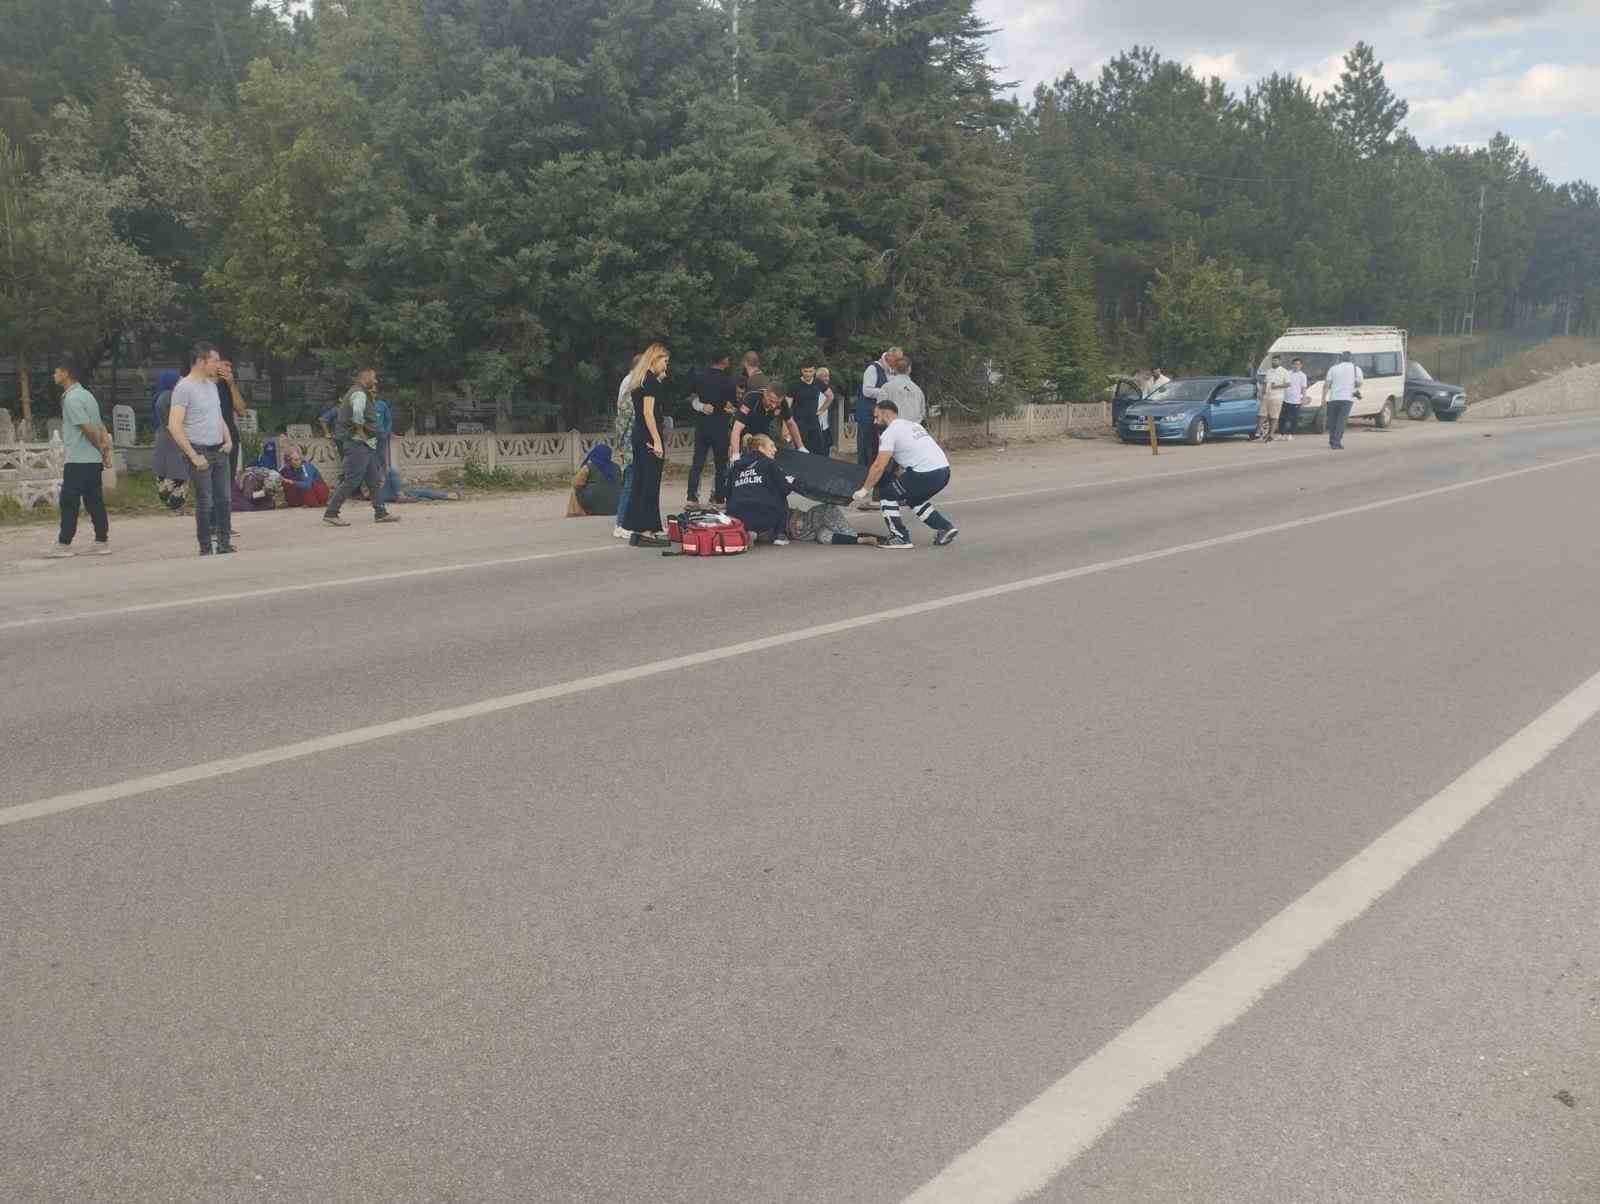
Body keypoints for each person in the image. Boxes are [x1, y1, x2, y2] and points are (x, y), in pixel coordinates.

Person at [853, 399, 958, 548]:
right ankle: (945, 528)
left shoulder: (890, 433)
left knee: (887, 494)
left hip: (925, 473)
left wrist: (864, 490)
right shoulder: (913, 425)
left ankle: (900, 537)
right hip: (944, 471)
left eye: (876, 417)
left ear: (885, 413)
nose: (875, 422)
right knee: (914, 499)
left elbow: (878, 466)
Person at [168, 342, 236, 555]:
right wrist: (193, 455)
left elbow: (217, 416)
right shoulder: (184, 387)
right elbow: (174, 425)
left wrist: (228, 439)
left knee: (224, 498)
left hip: (220, 450)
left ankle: (224, 543)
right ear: (200, 361)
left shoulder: (211, 385)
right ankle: (205, 546)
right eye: (214, 360)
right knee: (205, 500)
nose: (218, 365)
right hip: (200, 451)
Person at [43, 354, 113, 559]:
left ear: (65, 374)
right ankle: (102, 541)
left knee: (69, 500)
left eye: (56, 371)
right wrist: (105, 451)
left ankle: (64, 543)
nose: (54, 374)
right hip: (91, 461)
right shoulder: (86, 395)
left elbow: (88, 428)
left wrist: (100, 448)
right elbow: (101, 426)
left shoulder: (72, 399)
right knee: (94, 501)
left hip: (79, 459)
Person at [323, 366, 399, 526]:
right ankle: (331, 513)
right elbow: (357, 415)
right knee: (352, 480)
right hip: (358, 445)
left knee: (373, 480)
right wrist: (362, 434)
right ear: (365, 377)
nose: (376, 380)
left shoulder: (359, 393)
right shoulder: (359, 393)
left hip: (365, 445)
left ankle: (381, 513)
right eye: (374, 377)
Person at [620, 343, 670, 547]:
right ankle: (645, 530)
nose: (666, 366)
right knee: (650, 483)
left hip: (639, 435)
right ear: (655, 359)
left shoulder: (640, 380)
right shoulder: (650, 382)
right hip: (649, 435)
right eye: (665, 362)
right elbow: (648, 412)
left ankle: (643, 527)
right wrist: (657, 440)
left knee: (641, 481)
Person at [686, 354, 738, 504]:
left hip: (702, 424)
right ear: (725, 361)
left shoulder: (699, 377)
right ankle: (719, 497)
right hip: (720, 425)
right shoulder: (728, 381)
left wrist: (700, 405)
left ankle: (692, 496)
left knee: (698, 463)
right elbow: (733, 403)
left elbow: (687, 394)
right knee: (720, 465)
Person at [725, 433, 794, 543]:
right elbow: (785, 489)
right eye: (771, 446)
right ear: (761, 448)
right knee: (781, 492)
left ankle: (746, 531)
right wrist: (790, 481)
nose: (775, 450)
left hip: (737, 517)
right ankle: (780, 534)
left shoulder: (736, 466)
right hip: (764, 516)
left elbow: (728, 493)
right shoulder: (769, 463)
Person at [855, 346, 899, 506]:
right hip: (868, 417)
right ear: (888, 357)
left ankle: (879, 490)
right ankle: (862, 489)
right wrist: (885, 391)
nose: (896, 364)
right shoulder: (873, 369)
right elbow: (866, 391)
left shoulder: (892, 371)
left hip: (883, 418)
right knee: (867, 452)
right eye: (895, 361)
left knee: (881, 453)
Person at [729, 377, 804, 463]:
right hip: (743, 431)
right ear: (765, 394)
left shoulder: (782, 403)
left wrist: (801, 447)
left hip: (762, 431)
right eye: (771, 401)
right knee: (740, 459)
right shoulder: (752, 398)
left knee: (767, 456)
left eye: (777, 402)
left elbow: (791, 423)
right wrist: (735, 455)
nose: (774, 405)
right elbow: (737, 428)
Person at [150, 370, 189, 512]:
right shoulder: (169, 396)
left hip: (164, 436)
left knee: (166, 468)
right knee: (179, 470)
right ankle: (176, 503)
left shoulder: (160, 395)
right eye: (178, 380)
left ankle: (169, 497)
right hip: (174, 436)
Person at [566, 442, 622, 517]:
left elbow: (575, 483)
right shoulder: (617, 467)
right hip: (614, 508)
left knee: (575, 491)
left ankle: (576, 512)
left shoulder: (588, 467)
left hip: (594, 505)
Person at [1322, 351, 1364, 451]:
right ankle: (1336, 443)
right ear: (1351, 358)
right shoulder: (1356, 369)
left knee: (1333, 420)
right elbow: (1359, 384)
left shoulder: (1333, 368)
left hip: (1334, 398)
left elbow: (1326, 384)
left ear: (1341, 358)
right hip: (1347, 398)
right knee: (1341, 421)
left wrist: (1323, 398)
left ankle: (1332, 440)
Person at [786, 502, 878, 547]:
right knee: (824, 537)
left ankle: (855, 537)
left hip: (803, 521)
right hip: (803, 530)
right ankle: (861, 540)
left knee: (826, 511)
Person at [791, 365, 828, 456]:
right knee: (801, 454)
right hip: (799, 425)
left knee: (819, 453)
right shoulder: (794, 385)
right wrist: (786, 427)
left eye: (810, 371)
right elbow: (787, 406)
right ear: (801, 370)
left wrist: (821, 410)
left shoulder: (818, 383)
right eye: (805, 371)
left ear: (814, 371)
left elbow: (830, 396)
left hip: (814, 424)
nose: (808, 374)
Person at [880, 353, 926, 424]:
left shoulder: (886, 388)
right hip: (912, 430)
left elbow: (880, 410)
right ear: (909, 369)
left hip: (893, 429)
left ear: (894, 369)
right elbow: (922, 413)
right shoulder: (918, 390)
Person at [1259, 355, 1290, 442]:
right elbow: (1265, 383)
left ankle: (1271, 435)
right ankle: (1259, 433)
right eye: (1273, 361)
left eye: (1276, 361)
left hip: (1277, 397)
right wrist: (1262, 392)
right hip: (1266, 396)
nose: (1274, 362)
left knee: (1274, 416)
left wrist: (1276, 386)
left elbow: (1288, 384)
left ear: (1280, 362)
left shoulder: (1284, 372)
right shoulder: (1269, 371)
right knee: (1262, 415)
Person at [1280, 357, 1308, 441]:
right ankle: (1282, 434)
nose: (1296, 366)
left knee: (1293, 419)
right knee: (1283, 418)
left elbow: (1303, 388)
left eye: (1298, 364)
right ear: (1292, 365)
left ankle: (1290, 434)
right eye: (1294, 364)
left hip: (1296, 400)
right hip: (1285, 399)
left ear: (1301, 365)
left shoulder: (1302, 375)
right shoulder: (1287, 373)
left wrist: (1304, 398)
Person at [816, 367, 838, 456]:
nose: (827, 378)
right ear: (817, 378)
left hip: (826, 427)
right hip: (815, 427)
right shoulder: (814, 391)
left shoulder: (829, 391)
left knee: (826, 453)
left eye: (828, 376)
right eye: (824, 376)